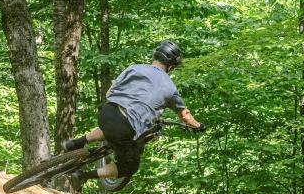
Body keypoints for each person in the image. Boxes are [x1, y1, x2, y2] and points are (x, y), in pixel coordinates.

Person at [61, 40, 203, 185]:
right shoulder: (171, 88)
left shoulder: (134, 68)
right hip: (124, 127)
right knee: (129, 166)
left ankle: (76, 143)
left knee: (114, 124)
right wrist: (197, 126)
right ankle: (83, 176)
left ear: (155, 56)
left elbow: (109, 93)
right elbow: (185, 116)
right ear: (171, 66)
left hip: (107, 112)